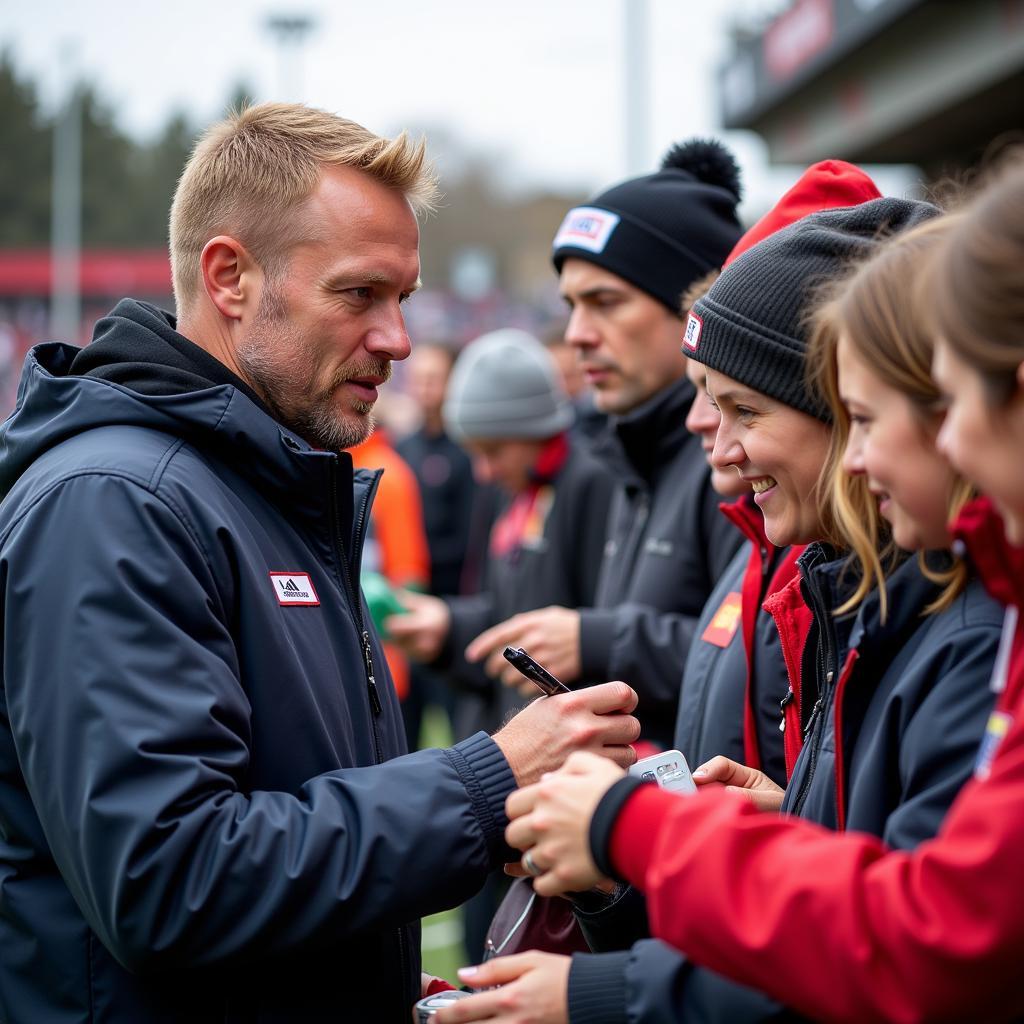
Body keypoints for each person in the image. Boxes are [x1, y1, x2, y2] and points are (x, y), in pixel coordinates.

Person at [0, 102, 643, 1024]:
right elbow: (165, 880)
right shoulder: (114, 502)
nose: (400, 339)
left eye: (405, 299)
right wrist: (489, 780)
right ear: (229, 277)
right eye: (358, 295)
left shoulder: (263, 483)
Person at [449, 161, 1024, 1024]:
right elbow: (884, 878)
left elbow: (931, 940)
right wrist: (783, 825)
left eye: (742, 408)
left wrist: (633, 856)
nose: (705, 432)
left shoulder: (970, 618)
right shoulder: (883, 595)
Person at [466, 140, 746, 748]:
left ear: (695, 308)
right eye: (571, 305)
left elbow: (757, 658)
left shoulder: (734, 464)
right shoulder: (629, 454)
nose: (577, 335)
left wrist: (596, 640)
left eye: (606, 302)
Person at [395, 342, 479, 745]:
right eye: (419, 378)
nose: (425, 388)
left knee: (457, 723)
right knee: (402, 729)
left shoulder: (468, 453)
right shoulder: (401, 448)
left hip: (451, 612)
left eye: (435, 378)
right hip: (403, 608)